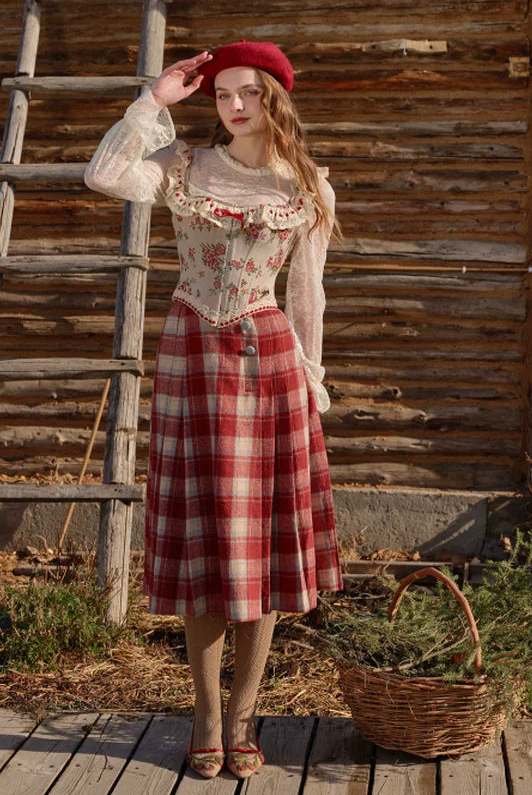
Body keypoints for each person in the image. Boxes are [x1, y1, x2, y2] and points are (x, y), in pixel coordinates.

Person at [84, 40, 344, 780]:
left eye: (248, 93)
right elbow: (102, 174)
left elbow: (308, 299)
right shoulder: (184, 167)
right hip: (193, 354)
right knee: (207, 545)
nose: (232, 105)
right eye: (222, 93)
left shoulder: (309, 187)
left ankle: (242, 717)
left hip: (269, 361)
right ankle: (202, 712)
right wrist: (155, 101)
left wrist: (313, 383)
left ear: (275, 98)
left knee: (258, 547)